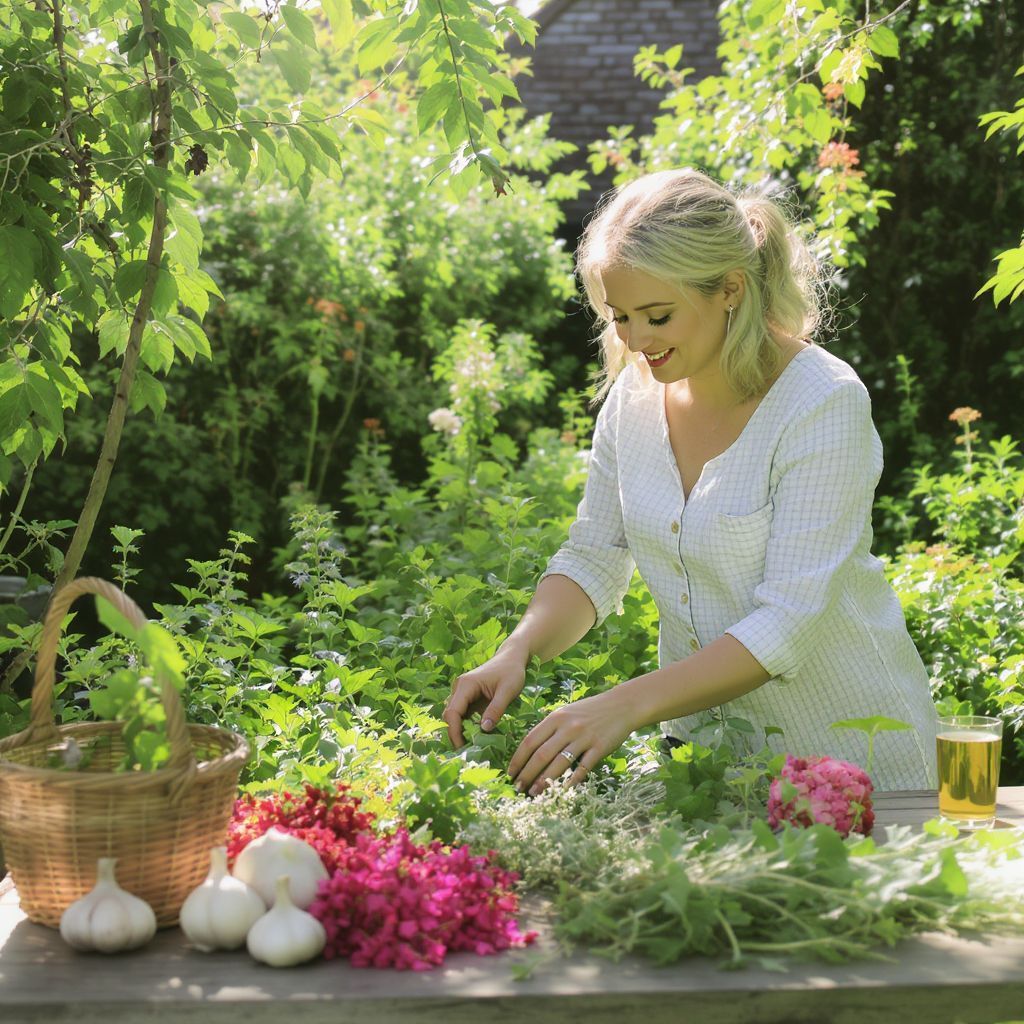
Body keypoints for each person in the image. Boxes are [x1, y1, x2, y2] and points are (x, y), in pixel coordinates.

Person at [443, 167, 940, 795]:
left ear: (730, 288)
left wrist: (623, 704)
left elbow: (787, 621)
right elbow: (595, 556)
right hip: (709, 767)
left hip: (855, 762)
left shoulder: (822, 401)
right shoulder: (633, 399)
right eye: (620, 316)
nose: (635, 340)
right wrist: (517, 650)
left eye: (657, 316)